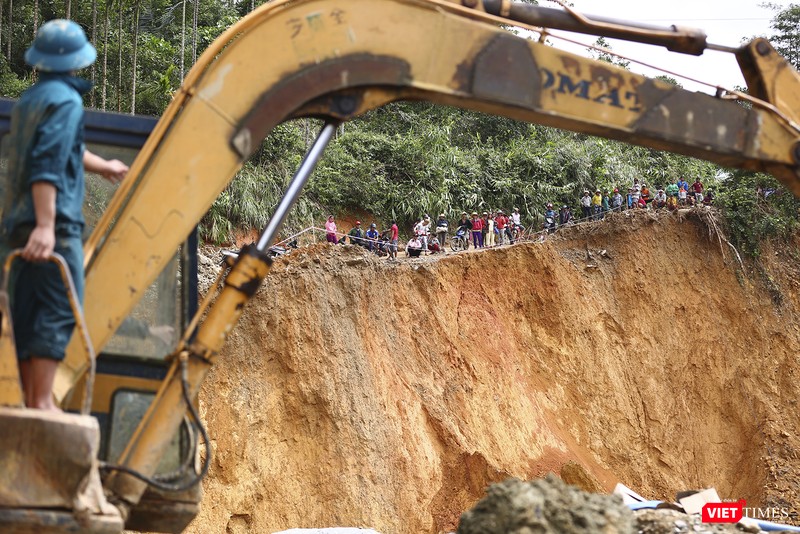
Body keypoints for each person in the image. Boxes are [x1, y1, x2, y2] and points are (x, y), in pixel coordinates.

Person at [2, 20, 129, 411]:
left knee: (26, 313)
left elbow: (63, 148)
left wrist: (102, 165)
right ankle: (42, 402)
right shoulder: (68, 102)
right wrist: (46, 226)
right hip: (52, 229)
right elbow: (47, 163)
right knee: (58, 310)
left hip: (17, 227)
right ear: (76, 61)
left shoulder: (31, 101)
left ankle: (29, 401)